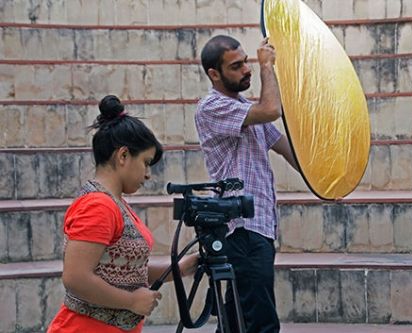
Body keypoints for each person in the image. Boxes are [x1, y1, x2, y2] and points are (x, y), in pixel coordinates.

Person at [48, 95, 199, 333]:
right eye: (146, 162)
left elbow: (128, 274)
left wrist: (180, 269)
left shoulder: (114, 203)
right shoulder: (99, 206)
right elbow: (76, 277)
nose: (148, 174)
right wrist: (131, 302)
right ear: (123, 156)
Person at [195, 35, 298, 333]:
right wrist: (268, 67)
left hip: (260, 226)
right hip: (241, 227)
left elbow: (283, 146)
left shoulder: (245, 109)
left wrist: (325, 178)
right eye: (236, 66)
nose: (247, 70)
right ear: (214, 74)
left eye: (247, 62)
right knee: (259, 322)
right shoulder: (212, 107)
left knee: (237, 319)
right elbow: (270, 109)